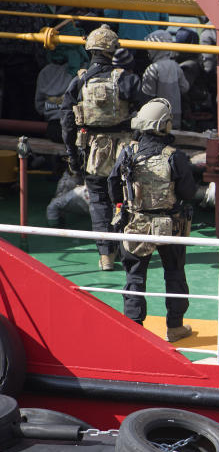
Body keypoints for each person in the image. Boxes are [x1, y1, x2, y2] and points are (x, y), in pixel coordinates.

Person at [108, 98, 197, 343]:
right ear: (164, 126)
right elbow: (188, 193)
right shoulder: (174, 156)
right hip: (171, 226)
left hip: (135, 223)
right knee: (175, 274)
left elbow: (113, 185)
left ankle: (134, 329)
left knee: (135, 277)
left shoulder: (128, 153)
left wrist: (124, 206)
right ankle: (175, 327)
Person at [60, 25, 141, 271]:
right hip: (124, 152)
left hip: (92, 152)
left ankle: (106, 256)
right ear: (112, 49)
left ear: (90, 50)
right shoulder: (127, 79)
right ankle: (129, 250)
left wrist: (73, 157)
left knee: (98, 202)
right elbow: (147, 112)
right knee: (128, 199)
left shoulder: (79, 81)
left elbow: (67, 122)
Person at [35, 44, 88, 142]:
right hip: (76, 125)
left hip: (53, 126)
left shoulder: (45, 72)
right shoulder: (84, 70)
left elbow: (39, 106)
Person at [142, 30, 189, 129]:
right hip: (176, 114)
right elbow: (185, 87)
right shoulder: (176, 66)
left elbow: (148, 94)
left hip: (157, 116)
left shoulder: (153, 68)